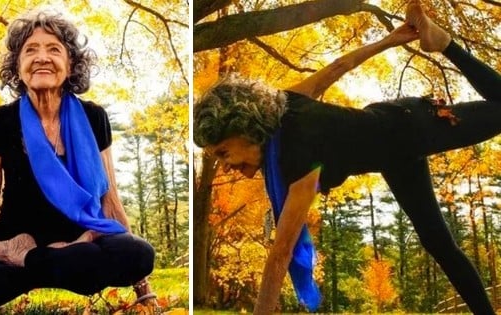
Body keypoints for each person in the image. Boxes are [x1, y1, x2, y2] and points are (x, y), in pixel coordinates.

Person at [193, 1, 498, 314]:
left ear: (243, 127)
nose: (226, 164)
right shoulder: (284, 104)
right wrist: (388, 41)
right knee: (439, 244)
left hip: (410, 126)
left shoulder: (298, 157)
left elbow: (281, 252)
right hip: (393, 154)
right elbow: (339, 67)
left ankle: (444, 43)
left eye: (223, 152)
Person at [0, 11, 157, 314]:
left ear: (70, 65)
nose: (42, 57)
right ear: (17, 67)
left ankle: (24, 260)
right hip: (13, 238)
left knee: (137, 253)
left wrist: (142, 287)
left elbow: (110, 201)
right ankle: (23, 259)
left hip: (80, 240)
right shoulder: (1, 121)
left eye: (54, 49)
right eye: (31, 50)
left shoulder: (93, 117)